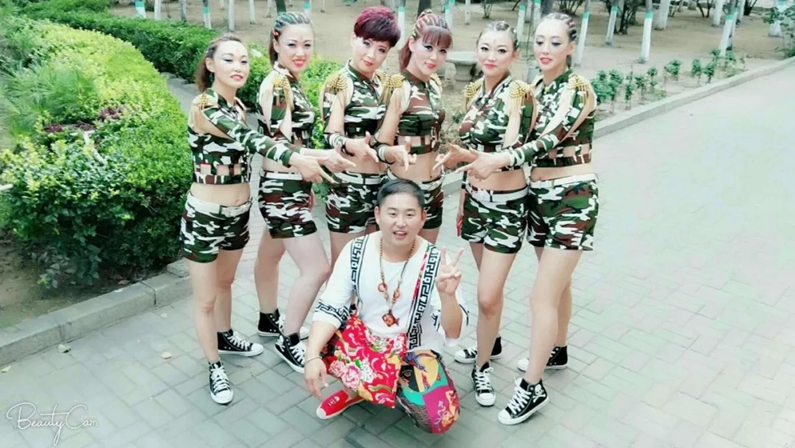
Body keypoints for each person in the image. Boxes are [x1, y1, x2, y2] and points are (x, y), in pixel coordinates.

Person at [457, 13, 599, 425]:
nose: (545, 49)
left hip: (571, 197)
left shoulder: (577, 88)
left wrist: (499, 159)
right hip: (538, 198)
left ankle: (532, 387)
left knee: (541, 297)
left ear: (570, 47)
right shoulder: (534, 88)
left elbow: (548, 138)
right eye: (540, 41)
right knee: (559, 285)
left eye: (555, 42)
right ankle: (558, 349)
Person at [182, 34, 333, 405]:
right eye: (228, 60)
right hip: (204, 215)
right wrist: (296, 160)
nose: (238, 67)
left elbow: (264, 140)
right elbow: (250, 140)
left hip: (238, 214)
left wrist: (321, 156)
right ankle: (214, 366)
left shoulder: (237, 106)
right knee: (205, 299)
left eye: (243, 61)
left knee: (226, 281)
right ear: (210, 64)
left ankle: (224, 336)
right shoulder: (205, 106)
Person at [303, 179, 469, 434]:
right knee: (322, 336)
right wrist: (311, 355)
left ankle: (398, 386)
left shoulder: (436, 262)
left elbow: (454, 331)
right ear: (378, 215)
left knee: (438, 418)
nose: (400, 223)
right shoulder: (356, 250)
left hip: (411, 350)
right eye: (392, 213)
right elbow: (331, 305)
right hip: (365, 339)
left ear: (423, 218)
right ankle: (354, 390)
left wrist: (448, 296)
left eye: (409, 214)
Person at [435, 21, 538, 409]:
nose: (491, 57)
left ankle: (482, 368)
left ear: (514, 55)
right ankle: (489, 343)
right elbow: (473, 150)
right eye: (485, 48)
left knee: (487, 295)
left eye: (500, 50)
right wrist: (463, 190)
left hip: (506, 207)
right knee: (486, 291)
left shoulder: (520, 94)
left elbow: (512, 154)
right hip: (475, 202)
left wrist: (473, 158)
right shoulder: (474, 90)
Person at [253, 12, 357, 374]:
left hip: (290, 186)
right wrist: (325, 158)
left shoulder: (289, 81)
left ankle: (268, 318)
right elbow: (280, 146)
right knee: (316, 269)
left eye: (307, 44)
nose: (301, 52)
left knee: (269, 255)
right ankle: (289, 338)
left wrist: (312, 173)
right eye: (292, 44)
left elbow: (293, 144)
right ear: (276, 42)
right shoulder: (278, 85)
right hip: (281, 188)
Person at [320, 6, 400, 268]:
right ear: (353, 38)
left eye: (381, 49)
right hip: (349, 189)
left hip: (381, 188)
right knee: (344, 268)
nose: (371, 55)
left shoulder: (385, 83)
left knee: (373, 267)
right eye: (366, 43)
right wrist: (349, 144)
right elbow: (330, 135)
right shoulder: (339, 82)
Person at [373, 9, 450, 244]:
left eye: (442, 50)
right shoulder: (399, 86)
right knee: (399, 258)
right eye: (428, 47)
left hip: (435, 188)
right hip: (404, 191)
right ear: (412, 43)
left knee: (425, 257)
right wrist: (393, 152)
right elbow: (380, 146)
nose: (434, 57)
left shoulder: (434, 85)